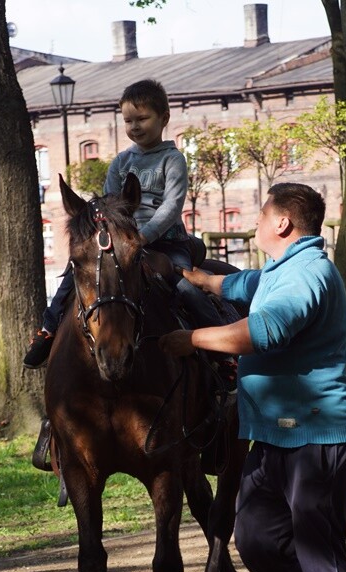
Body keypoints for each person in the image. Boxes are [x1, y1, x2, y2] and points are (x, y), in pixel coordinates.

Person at [159, 183, 346, 572]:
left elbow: (263, 331)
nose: (254, 222)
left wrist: (191, 339)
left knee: (318, 549)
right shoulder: (282, 269)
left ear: (282, 224)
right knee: (254, 539)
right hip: (274, 434)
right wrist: (198, 280)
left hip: (320, 434)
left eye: (261, 214)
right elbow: (246, 285)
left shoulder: (310, 273)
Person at [23, 78, 225, 369]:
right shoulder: (120, 162)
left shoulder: (173, 159)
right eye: (129, 120)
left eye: (143, 119)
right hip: (123, 240)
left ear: (164, 118)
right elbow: (108, 206)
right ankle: (48, 329)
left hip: (166, 241)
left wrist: (143, 237)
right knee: (74, 275)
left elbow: (171, 206)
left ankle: (220, 351)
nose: (135, 127)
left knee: (186, 288)